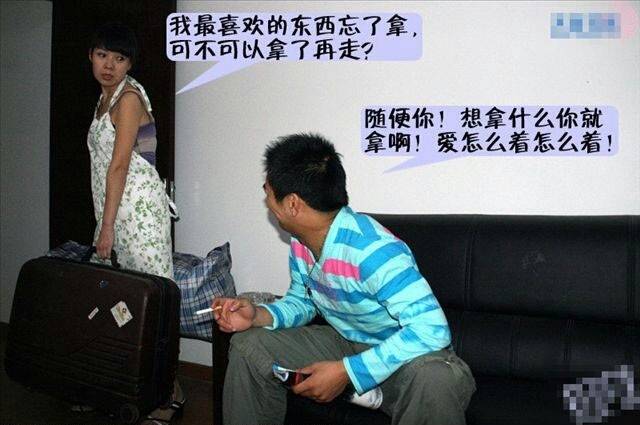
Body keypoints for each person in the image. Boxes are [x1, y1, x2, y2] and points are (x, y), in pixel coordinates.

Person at [212, 133, 476, 425]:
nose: (266, 199)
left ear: (293, 204)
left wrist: (348, 372)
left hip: (407, 359)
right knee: (249, 346)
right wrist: (257, 315)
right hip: (347, 342)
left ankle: (375, 390)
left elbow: (432, 329)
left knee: (436, 378)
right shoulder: (302, 243)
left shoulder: (373, 251)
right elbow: (303, 302)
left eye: (268, 190)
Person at [86, 22, 182, 424]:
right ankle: (130, 387)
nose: (109, 65)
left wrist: (106, 227)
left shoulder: (127, 98)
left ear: (130, 64)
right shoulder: (103, 99)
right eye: (102, 55)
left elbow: (119, 165)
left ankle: (168, 393)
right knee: (121, 303)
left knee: (155, 300)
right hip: (115, 211)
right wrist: (106, 221)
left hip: (137, 213)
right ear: (91, 56)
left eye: (120, 58)